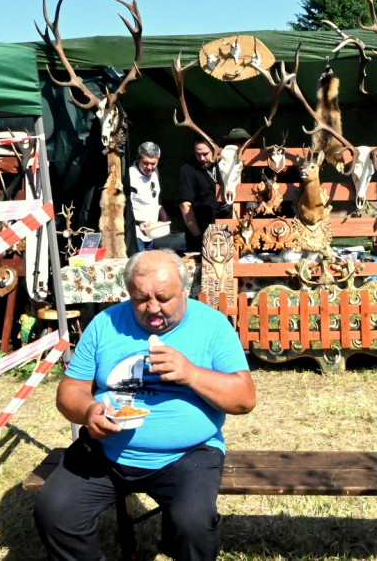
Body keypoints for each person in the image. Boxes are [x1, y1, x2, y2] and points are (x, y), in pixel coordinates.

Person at [33, 250, 256, 561]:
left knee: (193, 524)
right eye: (141, 299)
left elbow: (245, 399)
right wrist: (88, 411)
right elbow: (70, 389)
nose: (153, 309)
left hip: (188, 455)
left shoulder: (212, 326)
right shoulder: (104, 324)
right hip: (106, 450)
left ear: (185, 288)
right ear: (128, 293)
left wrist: (191, 373)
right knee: (55, 510)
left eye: (164, 298)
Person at [177, 137, 232, 253]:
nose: (202, 158)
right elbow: (185, 205)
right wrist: (197, 236)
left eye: (205, 154)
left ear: (214, 150)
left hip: (225, 231)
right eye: (198, 154)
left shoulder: (223, 166)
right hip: (201, 232)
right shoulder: (187, 170)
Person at [128, 142, 169, 252]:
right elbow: (124, 207)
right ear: (138, 158)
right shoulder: (129, 176)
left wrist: (163, 214)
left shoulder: (155, 172)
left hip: (152, 234)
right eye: (145, 163)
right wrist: (138, 222)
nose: (150, 167)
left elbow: (156, 198)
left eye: (153, 163)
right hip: (136, 235)